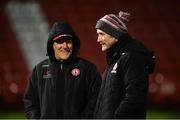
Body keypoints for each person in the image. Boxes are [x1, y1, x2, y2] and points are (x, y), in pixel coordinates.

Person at [23, 21, 102, 119]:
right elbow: (30, 101)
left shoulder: (88, 69)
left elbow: (97, 99)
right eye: (60, 41)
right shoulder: (39, 70)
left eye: (68, 41)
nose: (65, 46)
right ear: (52, 45)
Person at [94, 11, 155, 119]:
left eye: (101, 34)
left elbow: (134, 96)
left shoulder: (132, 57)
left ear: (115, 34)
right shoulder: (115, 58)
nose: (98, 39)